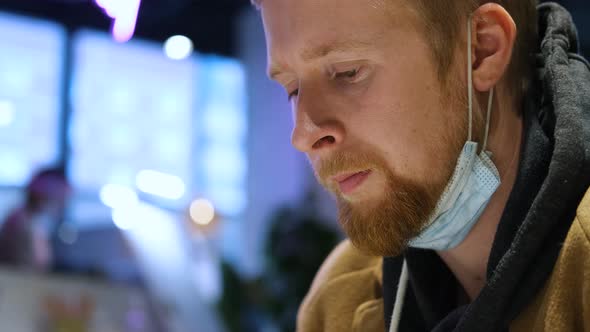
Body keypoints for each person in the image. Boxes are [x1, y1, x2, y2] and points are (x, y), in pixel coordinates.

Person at [251, 0, 590, 331]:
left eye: (347, 72)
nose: (303, 134)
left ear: (482, 49)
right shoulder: (339, 300)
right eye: (293, 89)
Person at [0, 167, 70, 272]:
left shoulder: (25, 219)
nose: (62, 205)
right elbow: (35, 266)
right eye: (60, 198)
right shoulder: (24, 224)